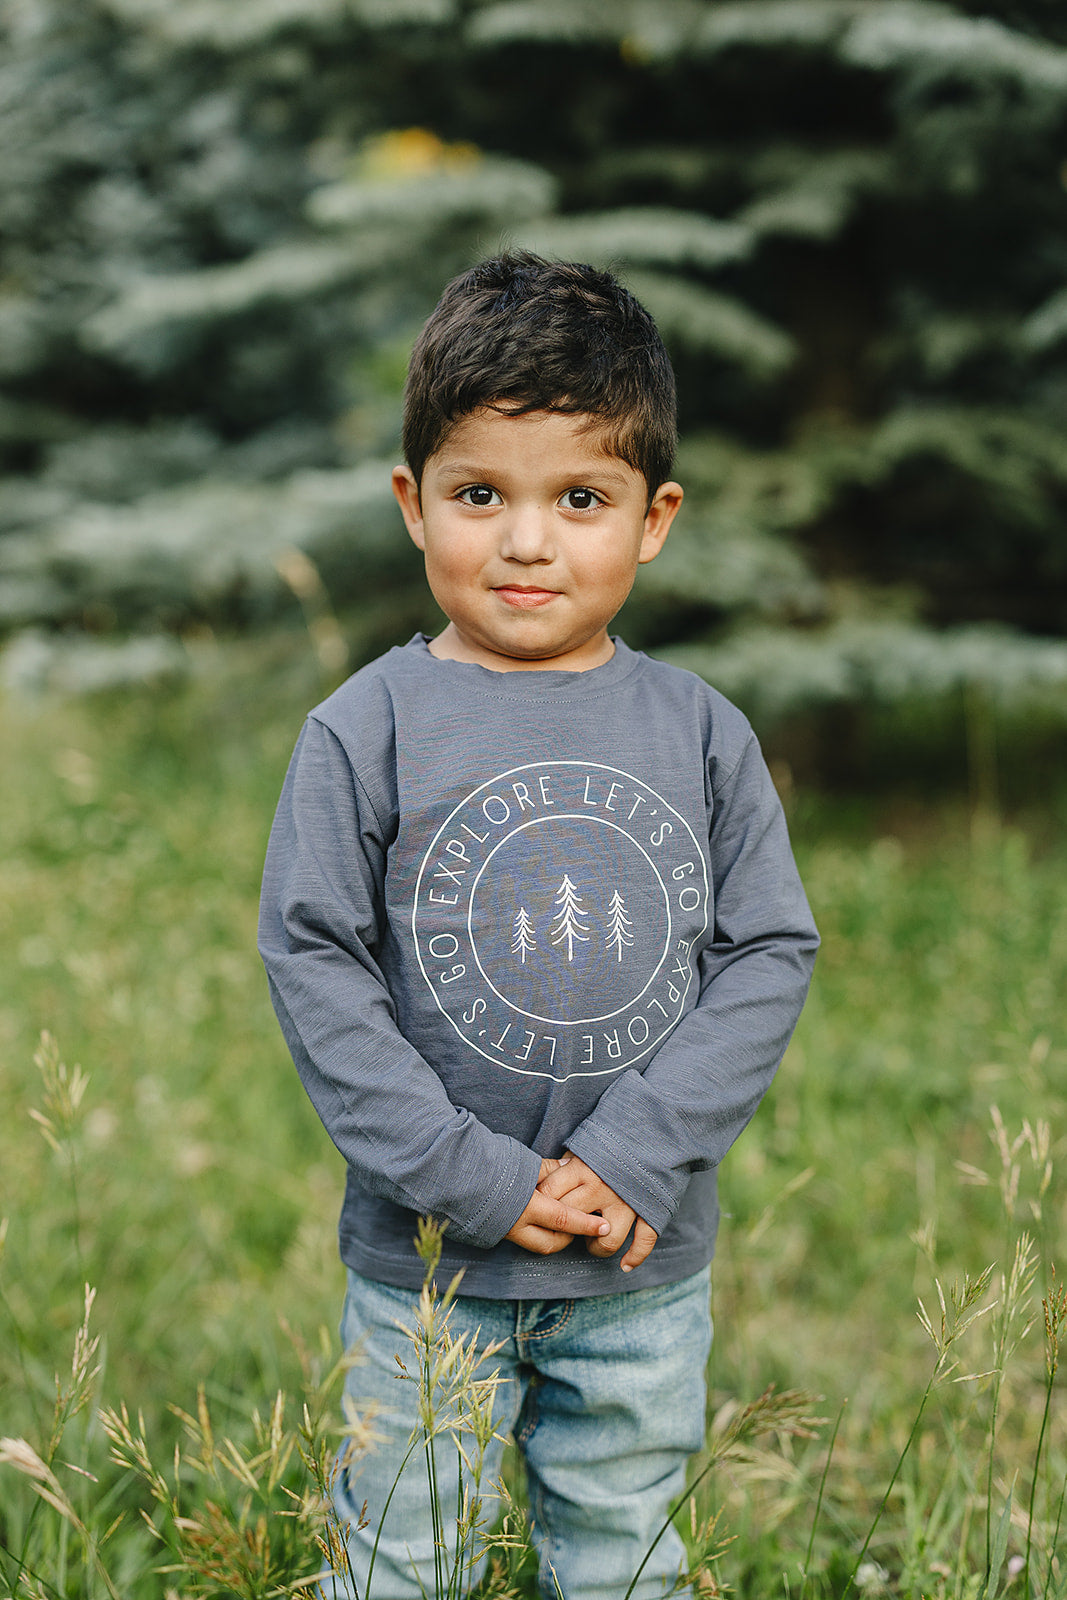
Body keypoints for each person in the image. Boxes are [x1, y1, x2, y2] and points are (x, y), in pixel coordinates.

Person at [258, 251, 819, 1600]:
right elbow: (317, 967)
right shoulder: (366, 730)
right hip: (429, 1273)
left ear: (654, 517)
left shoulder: (701, 733)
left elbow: (766, 954)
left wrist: (634, 1154)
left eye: (579, 498)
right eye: (479, 495)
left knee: (623, 1552)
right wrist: (478, 1182)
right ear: (413, 503)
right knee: (402, 1557)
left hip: (637, 1263)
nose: (526, 541)